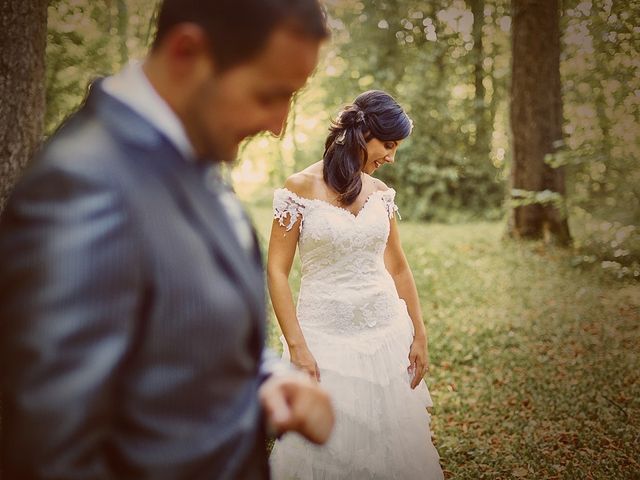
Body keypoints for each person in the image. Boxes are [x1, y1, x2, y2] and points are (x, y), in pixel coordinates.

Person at [0, 1, 335, 478]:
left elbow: (181, 328)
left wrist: (267, 379)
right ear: (187, 51)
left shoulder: (189, 143)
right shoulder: (84, 188)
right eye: (268, 95)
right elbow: (51, 456)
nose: (278, 123)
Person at [267, 90, 445, 479]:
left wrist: (420, 333)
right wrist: (297, 346)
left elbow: (398, 266)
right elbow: (277, 271)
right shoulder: (298, 189)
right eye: (389, 145)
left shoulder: (381, 195)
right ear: (363, 134)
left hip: (384, 336)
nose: (391, 157)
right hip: (322, 339)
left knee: (391, 443)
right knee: (327, 448)